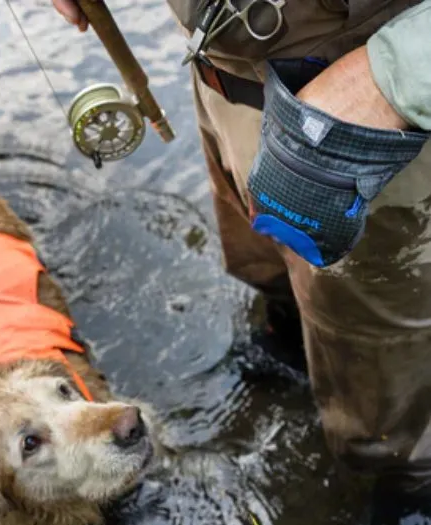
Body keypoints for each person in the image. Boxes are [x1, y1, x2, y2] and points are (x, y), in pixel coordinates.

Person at [52, 0, 431, 495]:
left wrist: (391, 77)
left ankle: (400, 486)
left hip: (369, 117)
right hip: (227, 77)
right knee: (267, 273)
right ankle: (288, 339)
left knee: (387, 411)